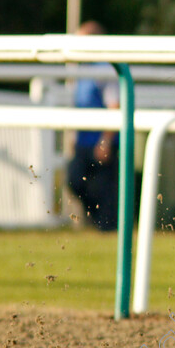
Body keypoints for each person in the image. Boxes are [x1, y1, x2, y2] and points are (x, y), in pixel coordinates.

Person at [66, 21, 120, 231]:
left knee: (104, 190)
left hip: (101, 141)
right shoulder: (81, 70)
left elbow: (114, 107)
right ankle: (96, 222)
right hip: (83, 142)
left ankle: (106, 229)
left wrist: (106, 141)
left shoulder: (105, 69)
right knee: (75, 180)